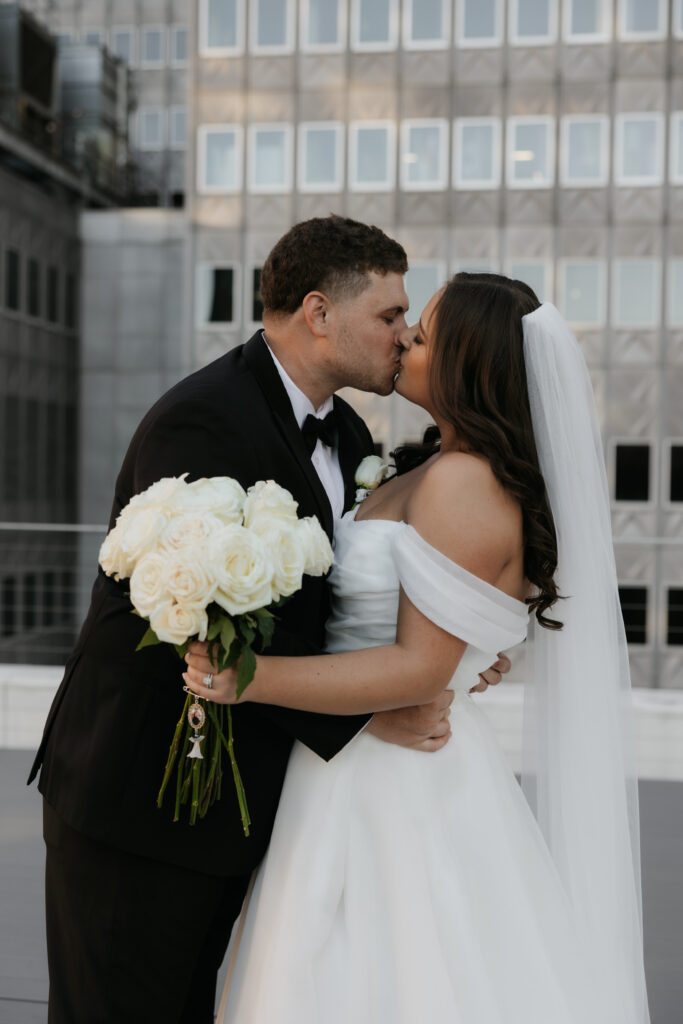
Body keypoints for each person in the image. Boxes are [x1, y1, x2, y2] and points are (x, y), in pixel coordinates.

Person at [27, 217, 508, 1024]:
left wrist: (463, 646)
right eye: (389, 316)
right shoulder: (204, 418)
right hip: (140, 796)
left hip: (246, 804)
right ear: (319, 313)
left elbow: (333, 603)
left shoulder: (350, 434)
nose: (402, 335)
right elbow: (171, 627)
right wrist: (367, 712)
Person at [185, 274, 651, 1023]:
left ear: (469, 363)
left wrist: (249, 677)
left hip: (397, 785)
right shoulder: (428, 467)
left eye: (424, 333)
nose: (404, 338)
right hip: (350, 762)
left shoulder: (463, 482)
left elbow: (420, 669)